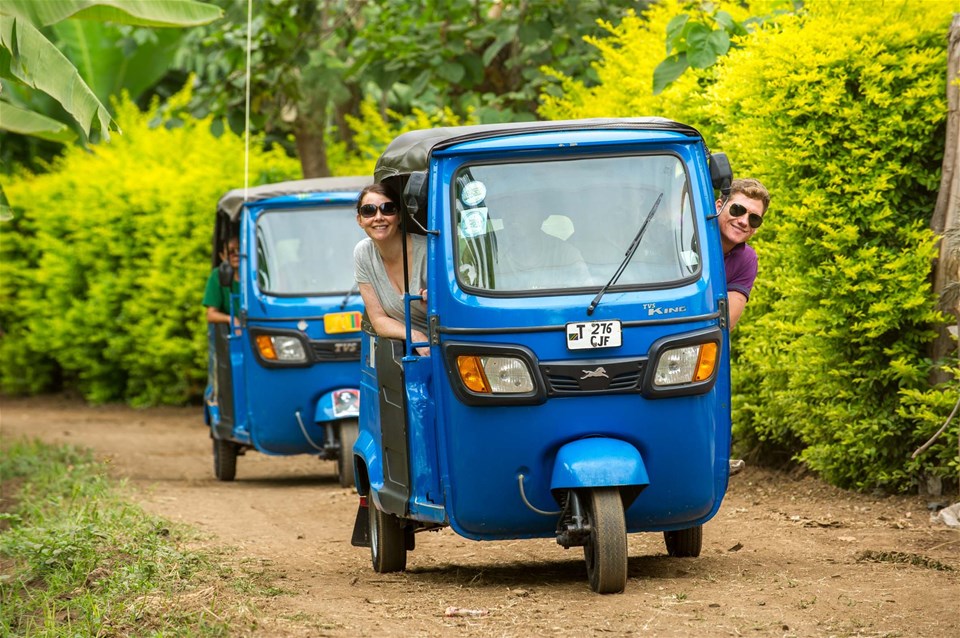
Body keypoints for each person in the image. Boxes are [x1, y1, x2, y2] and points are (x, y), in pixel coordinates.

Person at [353, 183, 430, 356]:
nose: (378, 217)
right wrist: (414, 336)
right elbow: (378, 319)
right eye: (369, 211)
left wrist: (433, 305)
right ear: (360, 220)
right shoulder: (363, 253)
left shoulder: (428, 251)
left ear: (399, 216)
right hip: (412, 351)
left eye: (387, 209)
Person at [717, 178, 770, 330]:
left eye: (754, 219)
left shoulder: (747, 259)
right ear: (718, 206)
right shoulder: (685, 235)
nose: (744, 222)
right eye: (738, 210)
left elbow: (726, 323)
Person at [203, 236, 240, 325]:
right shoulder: (217, 275)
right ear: (223, 256)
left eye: (240, 250)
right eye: (231, 252)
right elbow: (210, 314)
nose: (236, 254)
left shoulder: (257, 274)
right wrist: (231, 319)